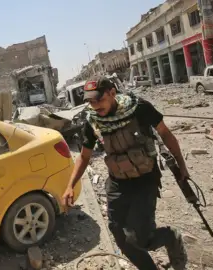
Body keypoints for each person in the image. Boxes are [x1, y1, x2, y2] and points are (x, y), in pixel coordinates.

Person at [62, 76, 188, 270]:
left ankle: (170, 236)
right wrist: (70, 185)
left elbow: (165, 134)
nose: (94, 105)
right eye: (90, 101)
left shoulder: (139, 108)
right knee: (119, 233)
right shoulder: (92, 121)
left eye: (98, 99)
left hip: (145, 180)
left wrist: (182, 166)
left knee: (142, 238)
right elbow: (84, 156)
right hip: (117, 182)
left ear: (112, 93)